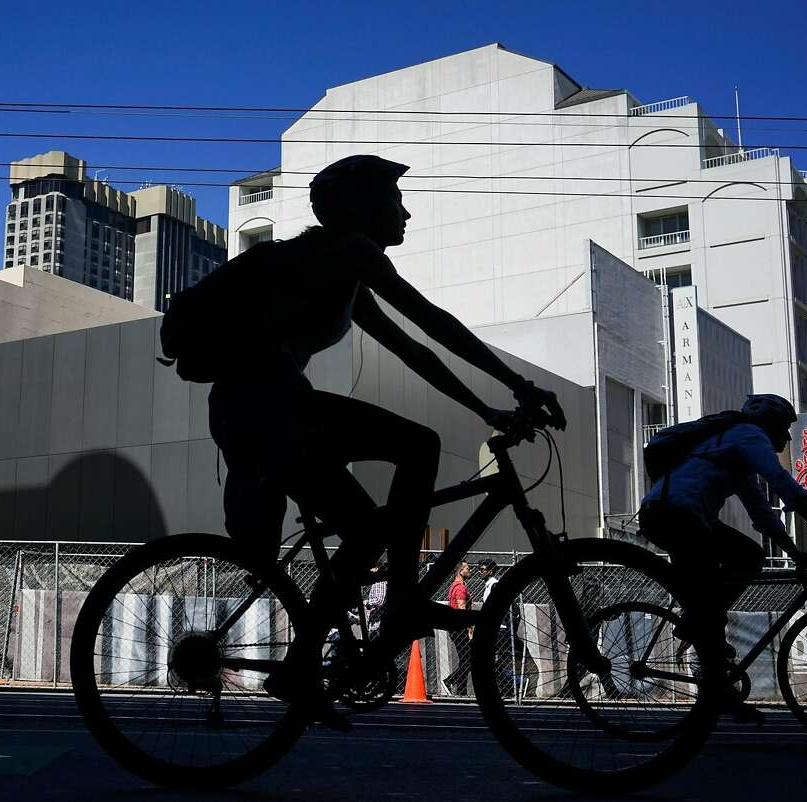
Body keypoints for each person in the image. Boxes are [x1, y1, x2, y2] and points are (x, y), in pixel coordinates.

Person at [206, 154, 566, 721]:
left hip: (257, 411)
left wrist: (487, 408)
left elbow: (414, 351)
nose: (406, 212)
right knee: (419, 445)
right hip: (266, 408)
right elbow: (431, 321)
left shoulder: (339, 270)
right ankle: (401, 603)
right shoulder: (348, 251)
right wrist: (518, 383)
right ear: (363, 208)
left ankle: (303, 666)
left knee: (370, 529)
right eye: (395, 200)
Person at [638, 394, 807, 716]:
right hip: (675, 515)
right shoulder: (748, 435)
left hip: (683, 517)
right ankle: (710, 665)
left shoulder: (738, 462)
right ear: (769, 424)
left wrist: (795, 553)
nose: (788, 437)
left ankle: (707, 651)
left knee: (743, 561)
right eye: (784, 427)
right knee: (727, 582)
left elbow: (763, 516)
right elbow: (781, 482)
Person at [442, 562, 473, 696]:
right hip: (460, 627)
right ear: (460, 571)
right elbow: (462, 608)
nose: (469, 570)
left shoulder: (454, 586)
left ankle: (461, 691)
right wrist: (469, 628)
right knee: (470, 659)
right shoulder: (460, 588)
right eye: (467, 568)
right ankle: (450, 680)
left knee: (465, 658)